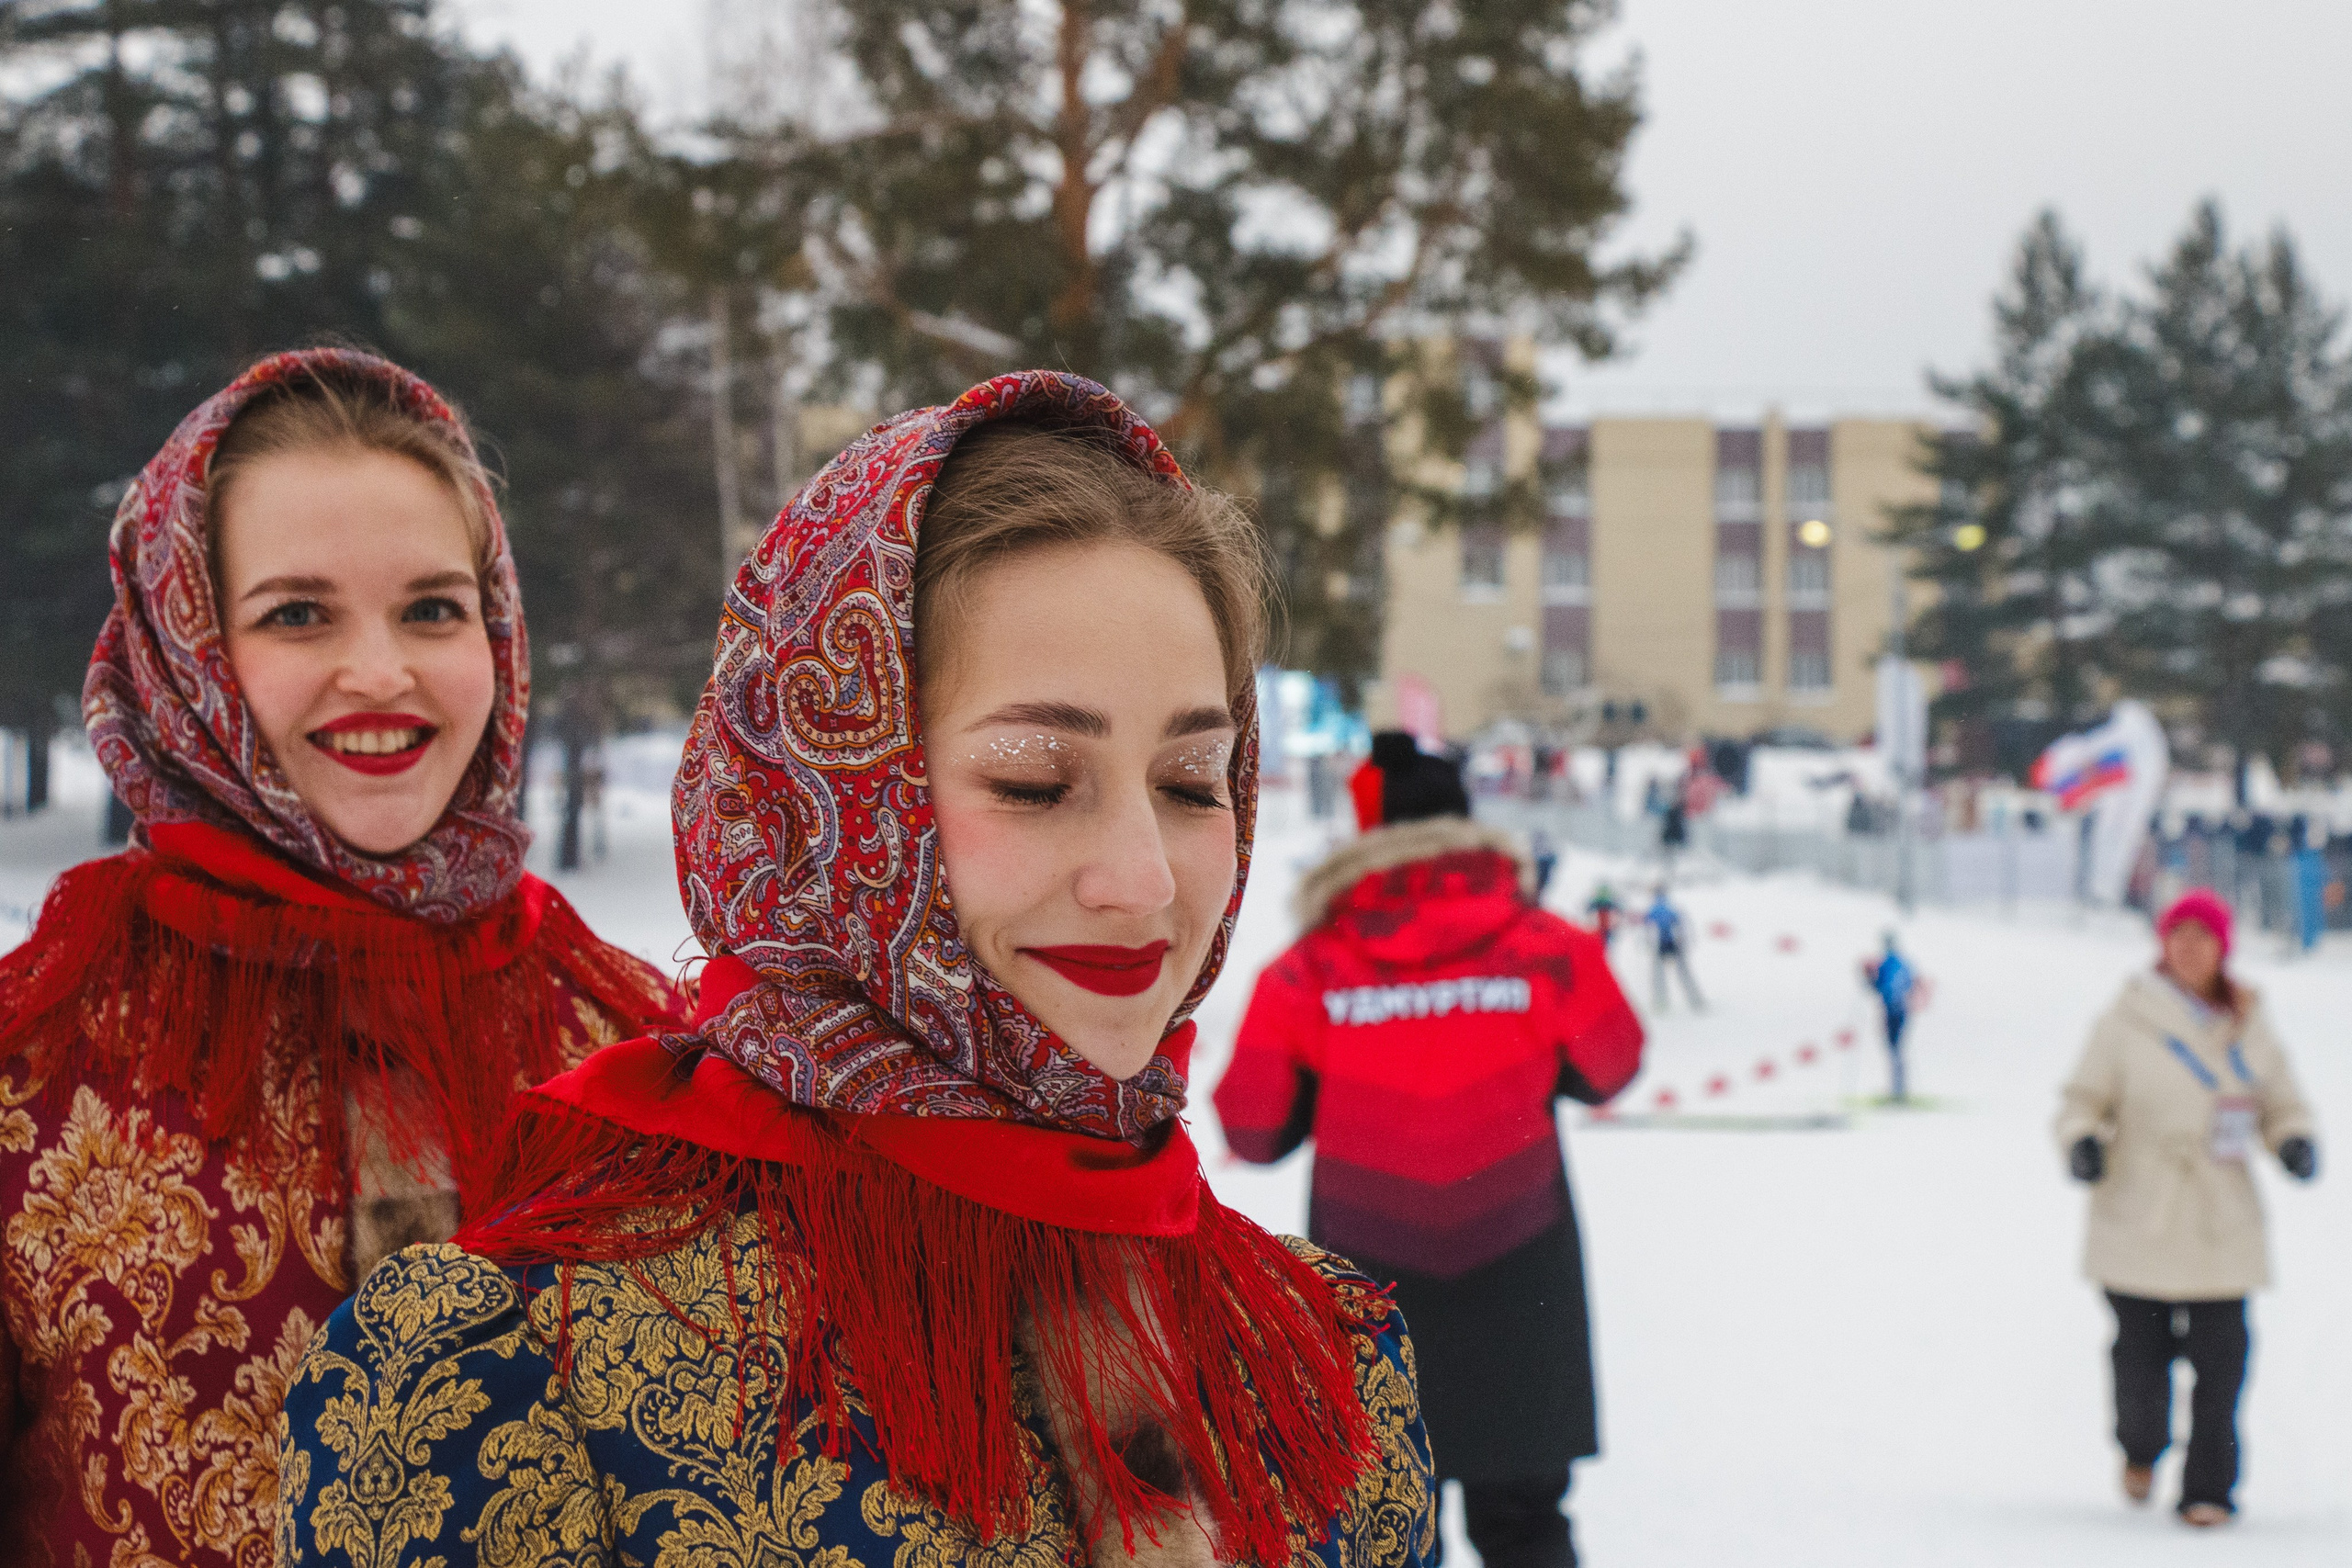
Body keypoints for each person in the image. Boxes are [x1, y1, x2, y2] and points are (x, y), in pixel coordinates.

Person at [276, 371, 1436, 1567]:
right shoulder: (514, 1371)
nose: (1143, 878)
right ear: (826, 791)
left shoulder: (1325, 1359)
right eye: (1036, 779)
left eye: (1193, 781)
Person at [0, 349, 684, 1565]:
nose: (382, 672)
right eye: (297, 613)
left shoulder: (643, 1053)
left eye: (432, 606)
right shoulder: (31, 1065)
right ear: (187, 645)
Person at [1216, 754, 1644, 1568]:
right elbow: (1614, 1064)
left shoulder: (1309, 969)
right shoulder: (1546, 945)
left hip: (1370, 1294)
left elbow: (1253, 1128)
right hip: (1524, 1274)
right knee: (1527, 1525)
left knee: (1389, 1530)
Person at [2055, 890, 2319, 1529]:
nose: (2190, 948)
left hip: (2217, 1215)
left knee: (2223, 1360)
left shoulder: (2248, 1020)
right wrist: (2082, 1141)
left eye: (2204, 937)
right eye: (2180, 935)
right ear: (2163, 944)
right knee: (2140, 1354)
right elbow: (2082, 1096)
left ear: (2223, 948)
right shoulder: (2127, 1018)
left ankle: (2210, 1485)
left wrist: (2293, 1139)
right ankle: (2140, 1447)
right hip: (2140, 1207)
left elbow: (2280, 1097)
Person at [1862, 931, 1917, 1103]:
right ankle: (1898, 1088)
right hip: (1902, 1010)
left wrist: (1869, 980)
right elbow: (1910, 983)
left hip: (1893, 1009)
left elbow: (1882, 987)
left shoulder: (1887, 964)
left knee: (1893, 1047)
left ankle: (1898, 1090)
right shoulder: (1903, 963)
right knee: (1896, 1048)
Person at [1645, 884, 1704, 1011]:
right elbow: (1685, 926)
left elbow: (1647, 928)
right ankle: (1696, 1001)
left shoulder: (1653, 909)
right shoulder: (1673, 907)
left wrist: (1647, 943)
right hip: (1675, 944)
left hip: (1661, 944)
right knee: (1683, 973)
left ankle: (1660, 1002)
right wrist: (1687, 941)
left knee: (1659, 975)